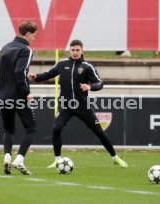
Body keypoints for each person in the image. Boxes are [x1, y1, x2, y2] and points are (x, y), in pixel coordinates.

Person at [29, 39, 128, 168]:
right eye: (72, 50)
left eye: (77, 50)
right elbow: (49, 74)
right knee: (56, 128)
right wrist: (35, 77)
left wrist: (90, 87)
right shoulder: (62, 64)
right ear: (69, 50)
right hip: (65, 106)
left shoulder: (87, 67)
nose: (75, 52)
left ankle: (115, 157)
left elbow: (99, 83)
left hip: (83, 107)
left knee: (99, 131)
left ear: (82, 51)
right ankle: (57, 160)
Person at [0, 20, 38, 175]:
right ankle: (19, 159)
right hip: (18, 96)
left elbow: (5, 72)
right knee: (31, 128)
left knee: (9, 129)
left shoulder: (6, 47)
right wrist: (27, 92)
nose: (34, 38)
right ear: (27, 34)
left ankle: (7, 156)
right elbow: (19, 73)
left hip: (2, 94)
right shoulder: (25, 50)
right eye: (33, 35)